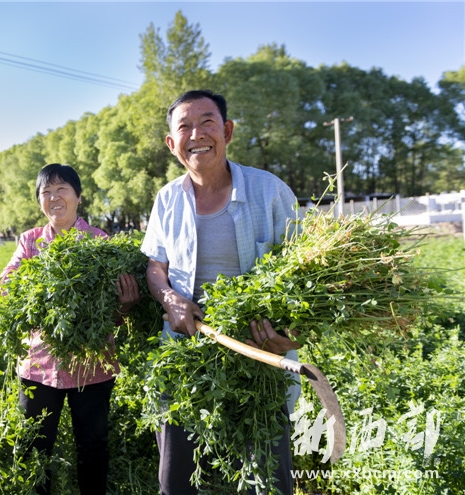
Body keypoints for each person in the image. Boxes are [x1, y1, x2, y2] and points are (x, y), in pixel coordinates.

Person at [141, 90, 302, 495]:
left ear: (227, 131)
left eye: (207, 122)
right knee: (176, 480)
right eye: (185, 127)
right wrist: (170, 298)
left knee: (268, 481)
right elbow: (156, 267)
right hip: (185, 359)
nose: (197, 134)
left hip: (260, 358)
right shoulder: (167, 200)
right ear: (172, 143)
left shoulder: (270, 192)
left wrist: (291, 335)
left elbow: (306, 277)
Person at [0, 163, 140, 495]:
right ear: (39, 201)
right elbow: (7, 286)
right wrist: (45, 288)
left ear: (78, 196)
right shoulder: (30, 241)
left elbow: (113, 313)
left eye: (61, 189)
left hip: (92, 365)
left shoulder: (100, 243)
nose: (53, 197)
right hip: (39, 366)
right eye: (45, 192)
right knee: (34, 446)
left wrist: (125, 306)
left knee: (93, 445)